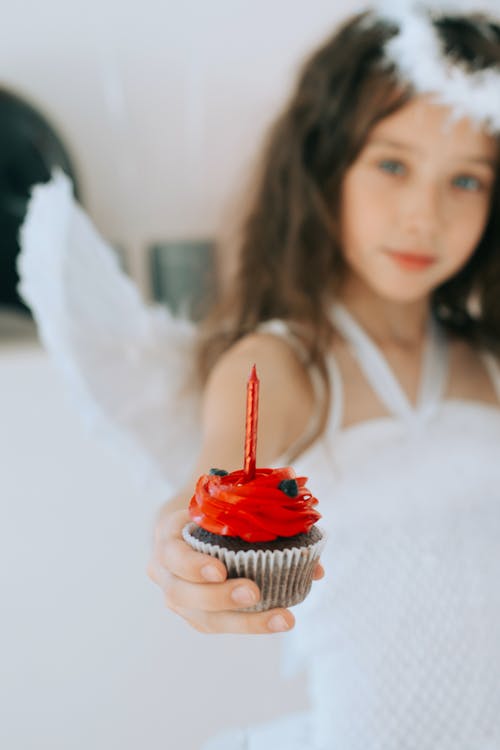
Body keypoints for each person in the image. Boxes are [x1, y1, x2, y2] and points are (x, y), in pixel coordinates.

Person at [16, 2, 500, 748]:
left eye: (466, 181)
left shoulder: (489, 365)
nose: (423, 217)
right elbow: (209, 489)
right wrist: (185, 546)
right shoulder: (280, 364)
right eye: (393, 164)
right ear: (325, 163)